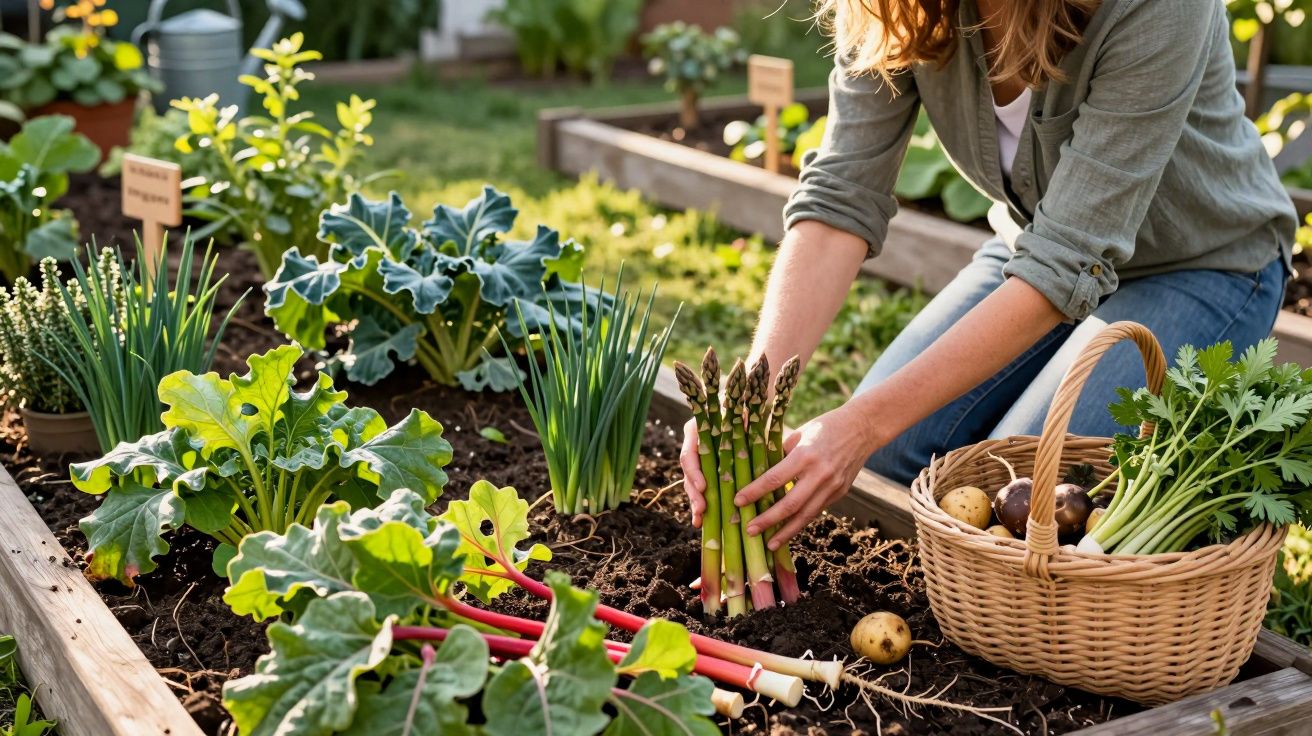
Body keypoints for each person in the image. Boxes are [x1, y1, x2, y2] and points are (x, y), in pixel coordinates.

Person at [679, 0, 1298, 550]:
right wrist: (748, 400)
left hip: (1200, 266)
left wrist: (861, 420)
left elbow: (1069, 258)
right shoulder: (892, 7)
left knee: (1019, 501)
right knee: (889, 462)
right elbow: (841, 195)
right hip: (1031, 254)